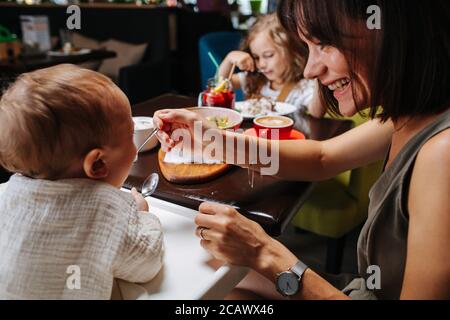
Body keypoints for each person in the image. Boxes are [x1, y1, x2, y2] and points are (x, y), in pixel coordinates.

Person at [153, 0, 450, 299]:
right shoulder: (404, 119)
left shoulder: (442, 154)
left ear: (395, 30)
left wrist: (267, 255)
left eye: (324, 43)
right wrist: (211, 140)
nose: (309, 69)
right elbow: (321, 159)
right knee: (219, 280)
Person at [0, 64, 164, 299]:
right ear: (97, 164)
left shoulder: (9, 192)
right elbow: (147, 262)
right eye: (130, 134)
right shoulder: (107, 209)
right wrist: (143, 214)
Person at [218, 13, 324, 117]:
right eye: (256, 57)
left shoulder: (303, 87)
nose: (261, 64)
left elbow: (316, 112)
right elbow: (220, 85)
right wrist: (229, 59)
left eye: (268, 55)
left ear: (291, 51)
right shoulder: (255, 80)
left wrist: (319, 78)